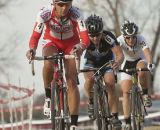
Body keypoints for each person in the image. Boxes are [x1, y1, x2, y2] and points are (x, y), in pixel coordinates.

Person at [26, 0, 90, 129]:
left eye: (67, 4)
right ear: (54, 4)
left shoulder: (77, 14)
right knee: (48, 62)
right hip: (51, 42)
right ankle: (48, 96)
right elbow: (35, 36)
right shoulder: (44, 14)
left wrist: (80, 47)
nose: (64, 8)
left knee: (71, 80)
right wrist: (32, 49)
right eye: (61, 4)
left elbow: (85, 38)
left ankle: (73, 123)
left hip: (71, 44)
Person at [83, 14, 124, 129]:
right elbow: (77, 53)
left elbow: (119, 54)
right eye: (92, 36)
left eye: (97, 35)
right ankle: (91, 101)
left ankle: (115, 117)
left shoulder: (108, 36)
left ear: (102, 32)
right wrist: (76, 67)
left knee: (110, 82)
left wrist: (118, 62)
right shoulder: (84, 37)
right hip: (90, 62)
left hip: (107, 62)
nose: (95, 38)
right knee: (89, 79)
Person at [117, 20, 155, 130]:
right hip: (126, 62)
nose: (131, 40)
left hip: (140, 59)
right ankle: (127, 121)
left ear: (136, 35)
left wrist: (150, 64)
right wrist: (116, 66)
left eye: (133, 37)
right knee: (125, 91)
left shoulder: (141, 39)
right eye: (128, 38)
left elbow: (147, 52)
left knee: (142, 71)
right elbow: (116, 54)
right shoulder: (119, 40)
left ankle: (145, 94)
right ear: (124, 37)